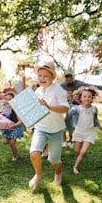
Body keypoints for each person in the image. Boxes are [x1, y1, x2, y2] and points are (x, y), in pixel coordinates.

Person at [29, 60, 69, 190]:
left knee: (54, 161)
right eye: (40, 75)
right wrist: (30, 124)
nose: (42, 78)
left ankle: (58, 172)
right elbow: (35, 111)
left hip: (56, 130)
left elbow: (65, 108)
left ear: (53, 77)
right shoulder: (37, 91)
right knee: (34, 153)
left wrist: (48, 106)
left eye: (45, 76)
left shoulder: (59, 90)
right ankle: (38, 174)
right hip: (40, 128)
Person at [68, 86, 102, 174]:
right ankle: (79, 152)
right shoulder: (76, 109)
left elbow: (95, 119)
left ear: (92, 98)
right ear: (80, 98)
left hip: (89, 133)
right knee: (77, 151)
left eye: (89, 96)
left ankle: (75, 167)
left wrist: (99, 126)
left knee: (83, 152)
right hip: (79, 132)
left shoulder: (94, 109)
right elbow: (67, 115)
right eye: (84, 96)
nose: (87, 98)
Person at [1, 92, 24, 161]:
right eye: (6, 99)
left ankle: (15, 156)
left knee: (12, 142)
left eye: (10, 99)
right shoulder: (5, 108)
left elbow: (20, 122)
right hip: (8, 127)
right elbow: (5, 115)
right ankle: (13, 147)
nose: (7, 101)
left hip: (16, 127)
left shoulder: (16, 109)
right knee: (5, 142)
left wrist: (13, 125)